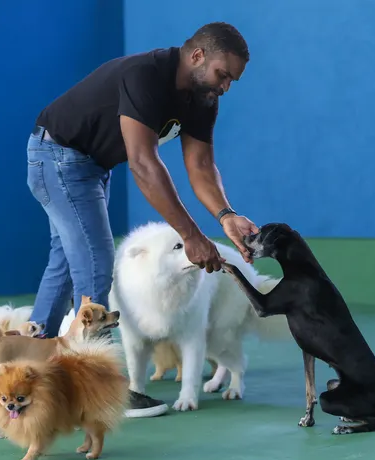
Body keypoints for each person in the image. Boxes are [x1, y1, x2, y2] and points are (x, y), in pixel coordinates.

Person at [25, 22, 258, 418]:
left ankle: (25, 366)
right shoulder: (147, 75)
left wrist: (226, 216)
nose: (225, 87)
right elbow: (144, 164)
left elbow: (200, 165)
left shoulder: (202, 97)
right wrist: (191, 236)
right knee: (97, 265)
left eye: (232, 80)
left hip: (91, 166)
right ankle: (103, 391)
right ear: (198, 55)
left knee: (66, 264)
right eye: (223, 75)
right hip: (59, 157)